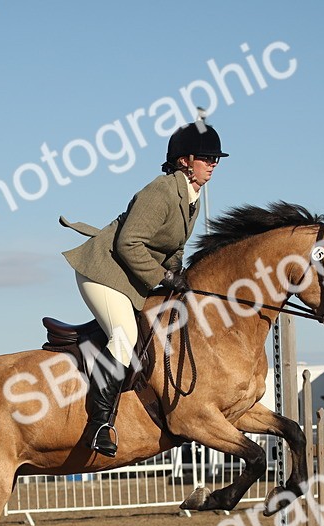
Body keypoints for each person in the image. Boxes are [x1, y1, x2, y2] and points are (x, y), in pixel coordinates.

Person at [60, 121, 228, 457]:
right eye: (207, 158)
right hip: (103, 272)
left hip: (132, 277)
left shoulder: (191, 197)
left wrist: (178, 274)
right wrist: (163, 277)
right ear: (185, 161)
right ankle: (99, 425)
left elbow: (174, 247)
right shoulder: (161, 191)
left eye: (216, 159)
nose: (213, 164)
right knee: (124, 338)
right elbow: (128, 243)